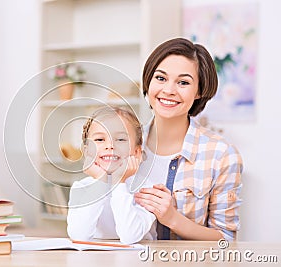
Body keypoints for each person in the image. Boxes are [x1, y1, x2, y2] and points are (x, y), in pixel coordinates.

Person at [133, 37, 243, 240]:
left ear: (199, 91)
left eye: (183, 82)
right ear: (148, 80)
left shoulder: (222, 155)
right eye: (160, 78)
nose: (168, 90)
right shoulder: (121, 145)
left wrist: (173, 218)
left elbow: (226, 240)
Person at [66, 106, 157, 244]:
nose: (110, 146)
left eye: (120, 139)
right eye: (100, 140)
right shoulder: (81, 187)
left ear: (137, 152)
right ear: (87, 151)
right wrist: (100, 181)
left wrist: (119, 183)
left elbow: (130, 237)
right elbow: (79, 236)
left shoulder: (146, 190)